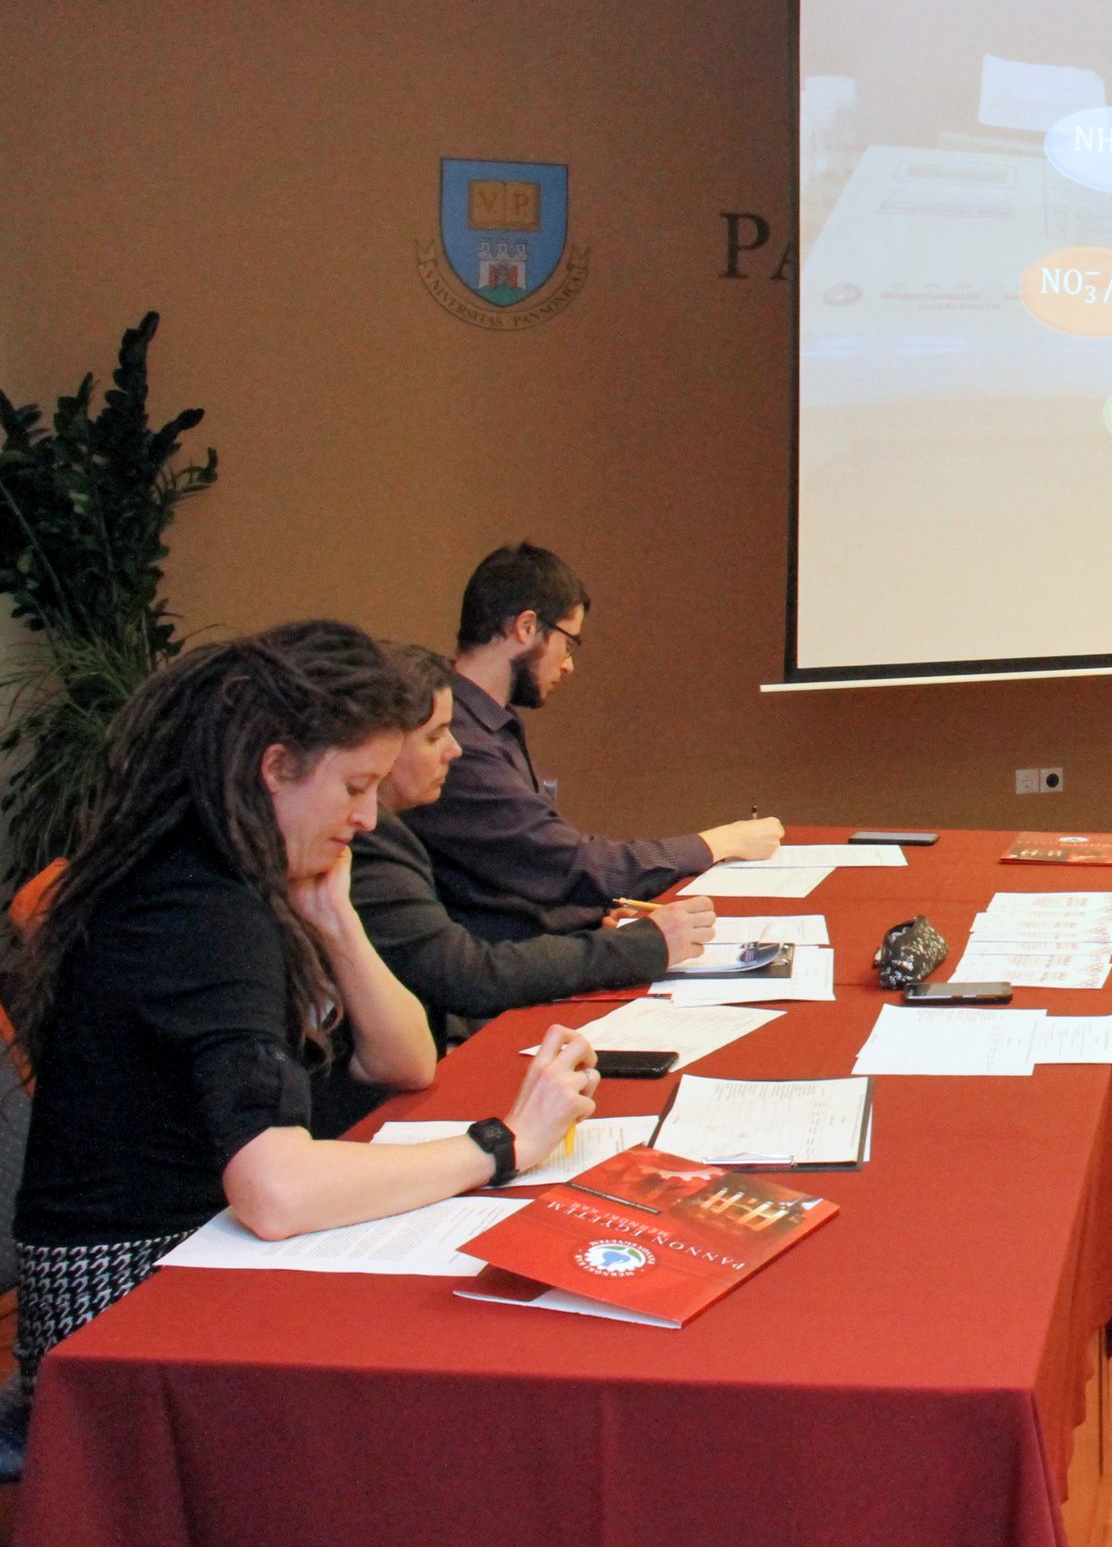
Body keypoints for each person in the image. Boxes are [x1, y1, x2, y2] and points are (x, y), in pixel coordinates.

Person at [4, 621, 600, 1386]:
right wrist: (502, 1144)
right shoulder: (200, 912)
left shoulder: (228, 875)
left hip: (188, 1256)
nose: (368, 818)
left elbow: (406, 1063)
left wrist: (336, 919)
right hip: (122, 1314)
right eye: (354, 789)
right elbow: (276, 1192)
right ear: (276, 768)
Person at [405, 543, 782, 940]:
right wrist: (717, 842)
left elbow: (532, 868)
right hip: (513, 965)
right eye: (569, 642)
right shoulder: (459, 741)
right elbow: (569, 864)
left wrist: (595, 914)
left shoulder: (486, 720)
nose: (569, 664)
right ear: (527, 627)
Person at [352, 643, 717, 1051]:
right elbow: (465, 974)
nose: (454, 750)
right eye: (435, 736)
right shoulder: (369, 838)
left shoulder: (398, 824)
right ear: (381, 745)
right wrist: (638, 947)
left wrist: (599, 930)